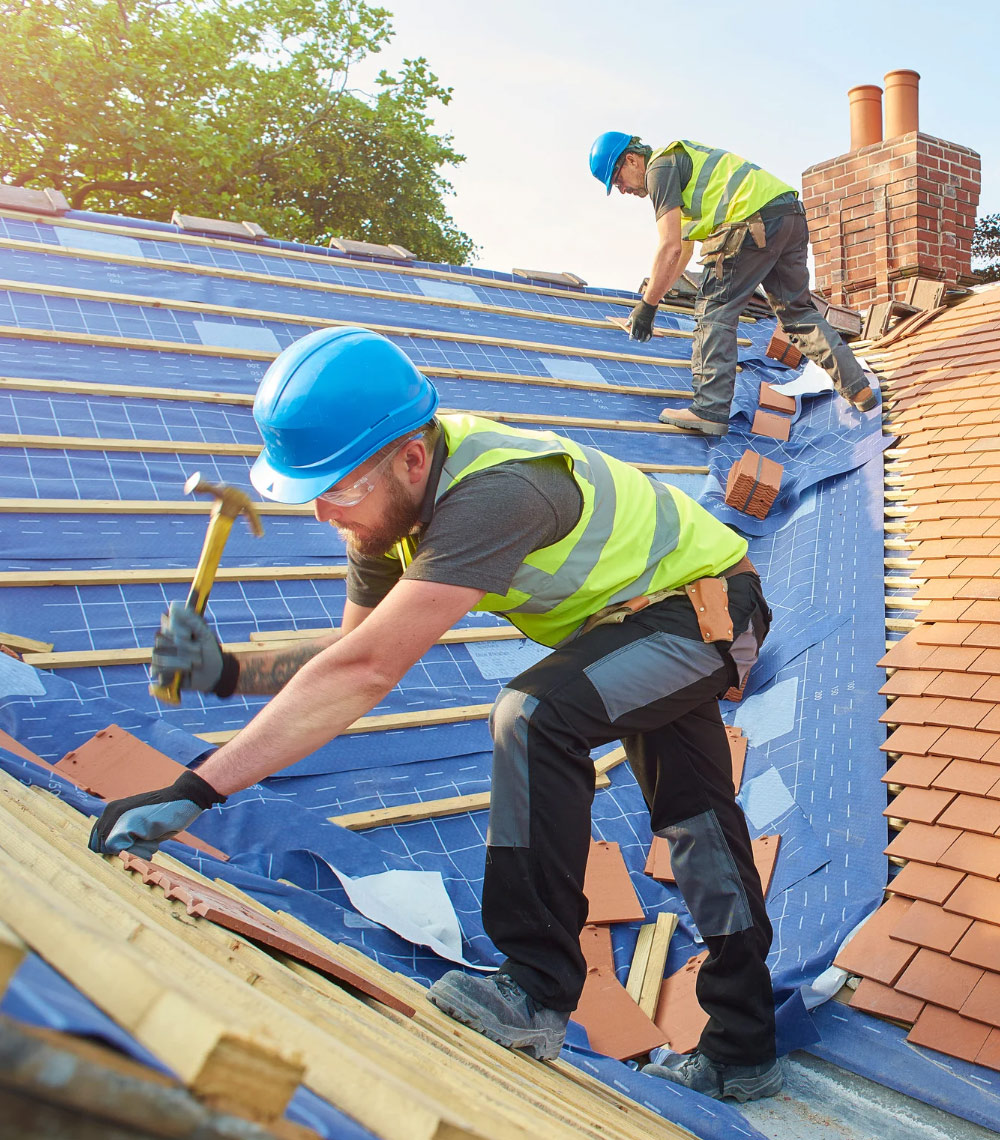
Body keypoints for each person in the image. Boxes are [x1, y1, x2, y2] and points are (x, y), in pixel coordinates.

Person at [90, 326, 782, 1101]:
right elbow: (353, 655)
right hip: (635, 624)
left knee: (534, 716)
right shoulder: (383, 513)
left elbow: (363, 674)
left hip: (707, 609)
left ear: (411, 459)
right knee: (697, 825)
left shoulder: (497, 493)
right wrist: (228, 672)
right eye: (310, 491)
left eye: (338, 488)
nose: (324, 512)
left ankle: (535, 988)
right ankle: (744, 1047)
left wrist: (195, 790)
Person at [589, 132, 877, 436]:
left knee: (714, 311)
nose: (621, 190)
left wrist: (646, 306)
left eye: (617, 179)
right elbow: (682, 252)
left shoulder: (659, 169)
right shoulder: (682, 172)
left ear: (632, 159)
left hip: (751, 221)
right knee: (798, 314)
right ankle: (859, 389)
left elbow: (669, 246)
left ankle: (709, 409)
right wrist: (653, 301)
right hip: (788, 216)